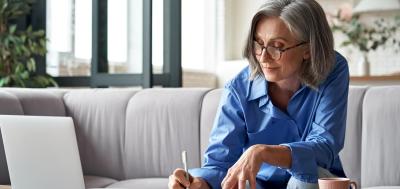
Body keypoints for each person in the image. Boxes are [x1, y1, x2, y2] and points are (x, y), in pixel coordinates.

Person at [169, 0, 349, 188]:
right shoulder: (238, 89)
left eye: (277, 46)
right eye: (258, 44)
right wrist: (197, 182)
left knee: (304, 180)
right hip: (258, 184)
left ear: (308, 49)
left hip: (314, 180)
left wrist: (263, 152)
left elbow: (325, 146)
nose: (263, 57)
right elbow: (219, 163)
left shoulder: (333, 70)